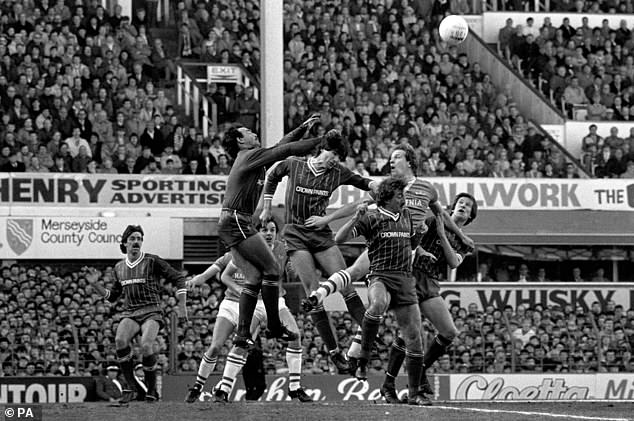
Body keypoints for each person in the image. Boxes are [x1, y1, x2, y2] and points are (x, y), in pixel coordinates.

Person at [302, 145, 474, 372]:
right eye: (390, 158)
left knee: (382, 307)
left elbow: (441, 215)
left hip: (407, 252)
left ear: (410, 161)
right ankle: (318, 295)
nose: (391, 162)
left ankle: (357, 355)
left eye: (396, 157)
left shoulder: (427, 189)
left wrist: (460, 235)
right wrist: (327, 220)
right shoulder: (387, 187)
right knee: (355, 272)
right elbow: (358, 205)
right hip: (384, 240)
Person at [260, 132, 378, 373]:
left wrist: (373, 184)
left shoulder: (338, 173)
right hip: (295, 233)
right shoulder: (295, 164)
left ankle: (368, 336)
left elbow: (363, 184)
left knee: (345, 282)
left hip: (321, 234)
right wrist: (266, 207)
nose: (336, 159)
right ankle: (335, 353)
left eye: (340, 156)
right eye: (334, 154)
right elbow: (272, 176)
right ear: (322, 149)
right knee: (313, 291)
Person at [217, 114, 327, 348]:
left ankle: (242, 333)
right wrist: (323, 141)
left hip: (231, 221)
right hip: (237, 220)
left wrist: (301, 129)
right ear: (240, 141)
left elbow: (280, 146)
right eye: (248, 131)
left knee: (256, 276)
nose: (254, 133)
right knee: (273, 269)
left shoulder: (251, 158)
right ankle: (274, 326)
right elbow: (283, 151)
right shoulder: (248, 155)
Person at [334, 177, 429, 406]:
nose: (404, 200)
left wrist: (420, 234)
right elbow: (339, 238)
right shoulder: (371, 217)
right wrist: (354, 219)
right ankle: (363, 361)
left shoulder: (406, 216)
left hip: (405, 279)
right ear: (387, 198)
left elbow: (410, 244)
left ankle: (415, 393)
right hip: (380, 275)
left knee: (414, 337)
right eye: (400, 196)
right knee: (377, 305)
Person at [380, 193, 477, 404]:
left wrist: (442, 235)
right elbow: (410, 238)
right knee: (410, 333)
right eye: (461, 202)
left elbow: (453, 262)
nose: (463, 206)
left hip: (431, 281)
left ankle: (419, 372)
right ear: (452, 207)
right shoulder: (434, 219)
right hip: (412, 274)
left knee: (449, 331)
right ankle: (390, 385)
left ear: (470, 217)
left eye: (468, 206)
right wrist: (422, 251)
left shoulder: (465, 242)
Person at [209, 220, 312, 403]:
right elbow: (225, 273)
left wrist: (294, 267)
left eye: (272, 230)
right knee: (243, 343)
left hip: (276, 301)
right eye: (264, 229)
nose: (269, 233)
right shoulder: (249, 248)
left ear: (277, 233)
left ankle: (295, 387)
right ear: (258, 232)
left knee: (295, 334)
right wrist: (238, 290)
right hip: (255, 302)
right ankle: (223, 388)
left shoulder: (283, 248)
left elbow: (292, 273)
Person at [87, 225, 188, 403]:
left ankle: (151, 390)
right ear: (125, 243)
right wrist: (95, 285)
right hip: (130, 311)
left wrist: (182, 305)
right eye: (133, 238)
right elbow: (113, 297)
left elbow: (178, 277)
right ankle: (131, 386)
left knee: (146, 345)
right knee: (119, 341)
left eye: (139, 238)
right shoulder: (118, 267)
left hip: (151, 309)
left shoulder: (152, 261)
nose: (136, 242)